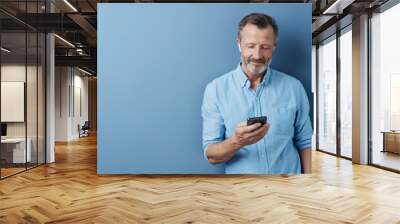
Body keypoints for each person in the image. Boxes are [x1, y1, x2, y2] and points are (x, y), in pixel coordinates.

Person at [201, 13, 312, 174]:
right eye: (250, 46)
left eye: (265, 47)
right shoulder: (215, 90)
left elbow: (306, 142)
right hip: (243, 192)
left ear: (274, 47)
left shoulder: (294, 87)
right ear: (239, 44)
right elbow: (211, 154)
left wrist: (309, 184)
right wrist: (236, 141)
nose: (258, 55)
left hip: (289, 189)